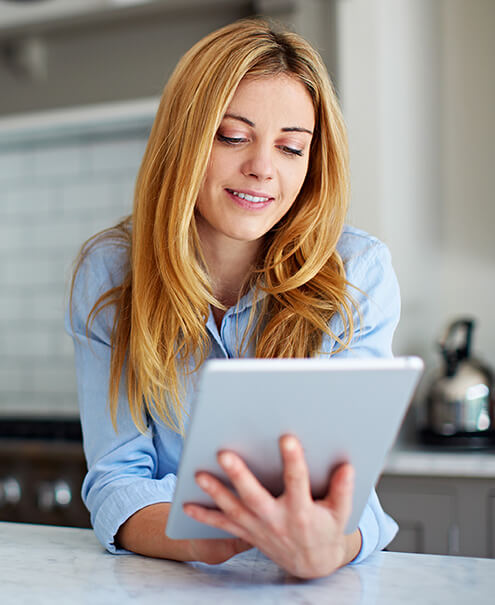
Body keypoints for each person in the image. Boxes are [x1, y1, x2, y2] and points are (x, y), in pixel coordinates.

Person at [66, 18, 400, 579]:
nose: (263, 169)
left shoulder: (357, 272)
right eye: (233, 136)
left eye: (291, 147)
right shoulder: (109, 275)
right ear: (185, 140)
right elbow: (118, 480)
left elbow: (349, 492)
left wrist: (326, 548)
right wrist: (209, 538)